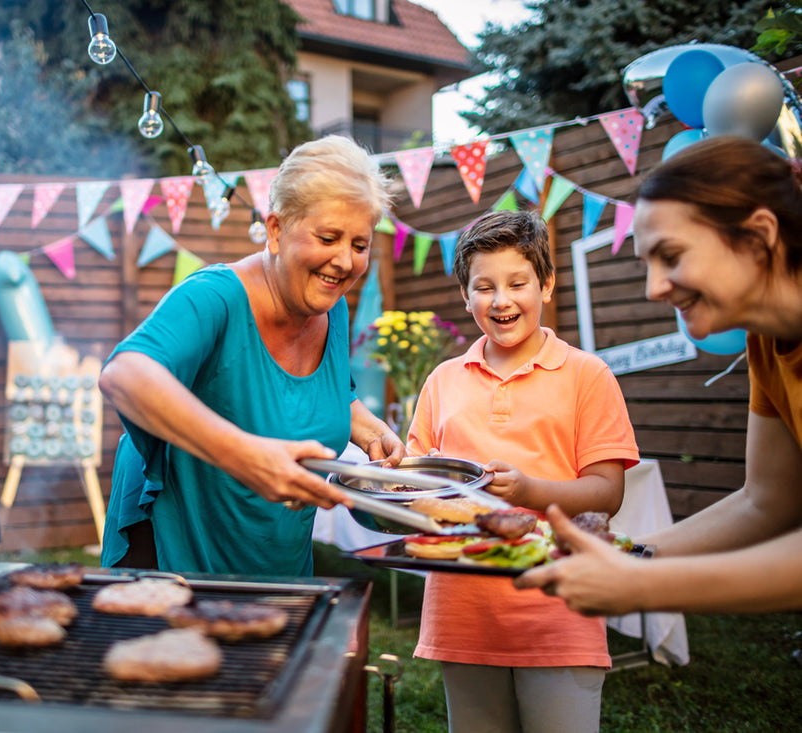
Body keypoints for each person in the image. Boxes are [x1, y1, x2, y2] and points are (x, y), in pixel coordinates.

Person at [516, 135, 802, 615]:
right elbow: (765, 501)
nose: (653, 288)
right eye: (646, 264)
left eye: (671, 256)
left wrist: (645, 587)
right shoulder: (767, 342)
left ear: (758, 236)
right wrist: (624, 555)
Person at [98, 135, 405, 577]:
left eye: (359, 245)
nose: (343, 261)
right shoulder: (214, 298)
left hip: (280, 562)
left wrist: (370, 429)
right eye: (328, 237)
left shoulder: (331, 307)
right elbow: (124, 375)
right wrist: (244, 456)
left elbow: (317, 392)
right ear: (276, 229)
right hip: (178, 570)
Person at [407, 209, 639, 733]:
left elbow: (607, 493)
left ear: (547, 284)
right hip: (462, 612)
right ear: (466, 297)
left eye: (518, 283)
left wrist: (531, 490)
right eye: (484, 287)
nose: (501, 300)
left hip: (560, 608)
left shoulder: (588, 375)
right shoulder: (443, 380)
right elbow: (417, 480)